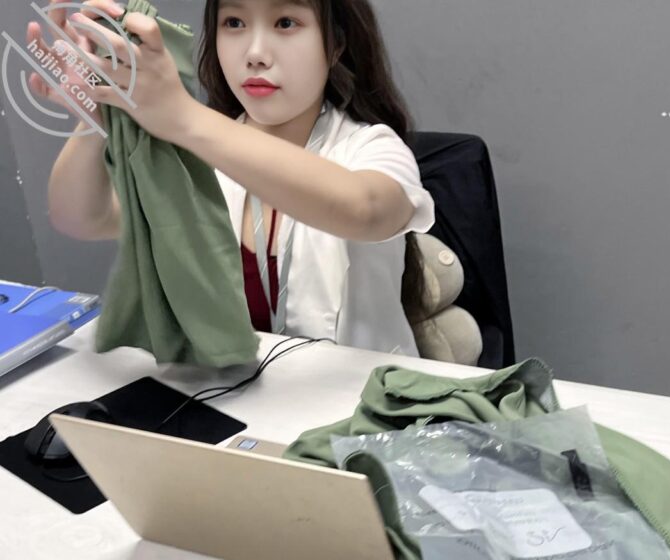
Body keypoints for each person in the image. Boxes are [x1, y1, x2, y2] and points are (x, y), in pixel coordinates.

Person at [31, 0, 435, 357]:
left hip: (356, 403)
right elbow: (81, 219)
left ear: (336, 45)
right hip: (232, 399)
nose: (255, 54)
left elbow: (365, 211)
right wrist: (100, 113)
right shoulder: (195, 148)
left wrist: (183, 117)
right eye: (234, 23)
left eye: (286, 23)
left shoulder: (373, 147)